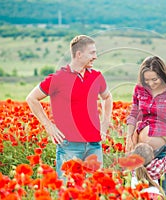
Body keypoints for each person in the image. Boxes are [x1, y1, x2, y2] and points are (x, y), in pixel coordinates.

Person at [26, 35, 113, 179]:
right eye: (92, 53)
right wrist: (48, 126)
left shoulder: (96, 76)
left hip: (94, 145)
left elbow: (107, 97)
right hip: (68, 146)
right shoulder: (58, 78)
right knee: (68, 191)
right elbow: (32, 98)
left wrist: (105, 123)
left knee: (94, 190)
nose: (96, 57)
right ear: (79, 54)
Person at [126, 55, 166, 200]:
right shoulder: (140, 89)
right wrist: (129, 138)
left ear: (163, 74)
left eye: (154, 79)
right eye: (146, 80)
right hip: (143, 153)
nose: (151, 83)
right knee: (143, 194)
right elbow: (133, 114)